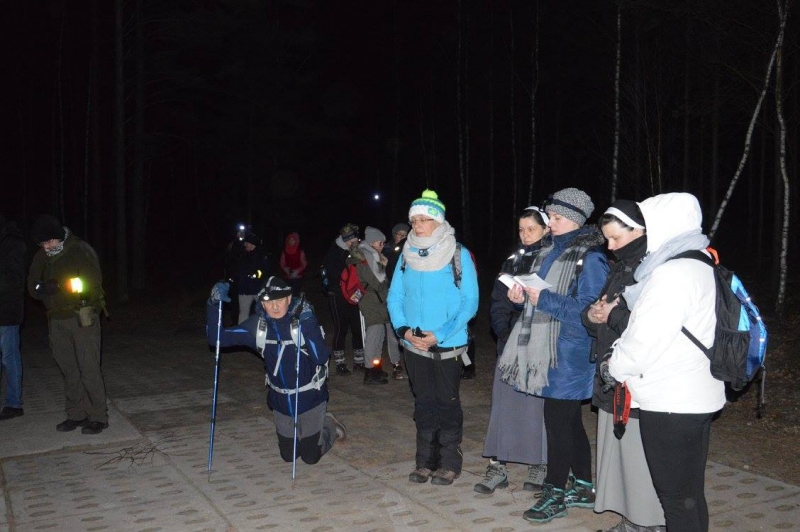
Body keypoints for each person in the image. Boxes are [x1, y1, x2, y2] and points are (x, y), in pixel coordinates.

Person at [609, 193, 724, 532]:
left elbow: (643, 340)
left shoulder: (672, 273)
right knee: (690, 495)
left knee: (675, 499)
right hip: (697, 394)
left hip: (671, 401)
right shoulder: (703, 264)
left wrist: (614, 364)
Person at [495, 188, 608, 523]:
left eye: (556, 217)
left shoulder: (591, 257)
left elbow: (590, 312)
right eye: (551, 216)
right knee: (569, 422)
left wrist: (541, 299)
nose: (551, 222)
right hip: (547, 349)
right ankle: (584, 486)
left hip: (570, 353)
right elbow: (539, 298)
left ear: (574, 218)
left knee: (557, 424)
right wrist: (521, 299)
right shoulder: (549, 251)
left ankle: (554, 493)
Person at [581, 200, 665, 532]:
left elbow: (654, 329)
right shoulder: (620, 268)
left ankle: (648, 523)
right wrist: (592, 315)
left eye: (616, 238)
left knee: (639, 458)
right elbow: (598, 315)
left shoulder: (658, 268)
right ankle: (631, 520)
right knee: (619, 456)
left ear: (640, 230)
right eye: (607, 240)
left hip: (640, 381)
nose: (611, 247)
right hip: (612, 375)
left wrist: (611, 315)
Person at [387, 189, 479, 486]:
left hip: (447, 344)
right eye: (414, 220)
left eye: (424, 220)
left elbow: (470, 302)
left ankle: (449, 463)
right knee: (424, 402)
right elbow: (395, 296)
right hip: (413, 345)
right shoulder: (406, 255)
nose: (417, 225)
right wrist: (403, 330)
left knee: (447, 403)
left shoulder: (457, 253)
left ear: (439, 222)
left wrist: (439, 334)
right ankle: (425, 462)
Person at [207, 276, 346, 464]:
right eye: (268, 302)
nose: (274, 306)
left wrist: (308, 320)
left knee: (310, 456)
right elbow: (216, 339)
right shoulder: (257, 326)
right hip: (281, 401)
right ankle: (301, 431)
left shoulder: (302, 320)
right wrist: (214, 304)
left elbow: (321, 357)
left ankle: (329, 424)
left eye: (279, 300)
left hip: (310, 397)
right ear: (262, 304)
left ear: (289, 299)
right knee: (289, 456)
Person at [474, 206, 550, 495]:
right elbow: (497, 304)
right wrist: (505, 334)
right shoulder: (512, 262)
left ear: (546, 229)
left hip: (541, 345)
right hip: (510, 345)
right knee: (503, 404)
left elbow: (553, 305)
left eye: (531, 229)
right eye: (521, 229)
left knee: (537, 407)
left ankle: (540, 463)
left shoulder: (554, 261)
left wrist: (524, 305)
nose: (525, 235)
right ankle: (497, 465)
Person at [27, 215, 109, 434]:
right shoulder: (41, 256)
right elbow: (32, 286)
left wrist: (61, 287)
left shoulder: (80, 249)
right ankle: (76, 414)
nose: (46, 246)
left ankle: (98, 416)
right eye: (42, 243)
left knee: (88, 367)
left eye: (49, 241)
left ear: (58, 236)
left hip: (81, 317)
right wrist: (41, 289)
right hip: (56, 319)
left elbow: (93, 283)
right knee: (68, 369)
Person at [349, 226, 391, 385]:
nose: (383, 246)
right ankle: (369, 371)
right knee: (373, 337)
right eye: (380, 243)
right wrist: (383, 267)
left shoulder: (373, 256)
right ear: (372, 242)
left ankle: (376, 368)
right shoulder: (365, 258)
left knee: (379, 336)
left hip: (378, 301)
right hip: (371, 302)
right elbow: (377, 283)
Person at [323, 223, 365, 376]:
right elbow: (334, 274)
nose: (355, 243)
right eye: (353, 240)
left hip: (354, 294)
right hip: (337, 295)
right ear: (346, 240)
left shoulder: (355, 250)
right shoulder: (335, 252)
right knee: (341, 328)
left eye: (356, 240)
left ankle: (359, 361)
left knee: (357, 328)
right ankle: (340, 363)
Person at [0, 214, 26, 421]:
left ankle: (14, 403)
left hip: (6, 312)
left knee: (9, 358)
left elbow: (15, 279)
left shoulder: (13, 243)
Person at [384, 222, 409, 380]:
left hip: (409, 296)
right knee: (393, 330)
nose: (402, 237)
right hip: (391, 295)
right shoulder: (387, 250)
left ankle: (411, 363)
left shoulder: (413, 250)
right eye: (399, 234)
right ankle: (396, 364)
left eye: (405, 235)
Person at [234, 231, 270, 324]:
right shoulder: (242, 254)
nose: (245, 244)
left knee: (263, 312)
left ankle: (264, 330)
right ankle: (242, 330)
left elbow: (266, 271)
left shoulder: (261, 255)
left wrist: (257, 274)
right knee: (243, 313)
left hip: (258, 289)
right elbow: (238, 269)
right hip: (244, 289)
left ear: (252, 244)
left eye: (247, 242)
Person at [279, 232, 307, 297]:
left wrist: (297, 271)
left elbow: (304, 264)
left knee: (295, 294)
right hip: (287, 277)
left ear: (296, 241)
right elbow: (282, 262)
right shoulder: (284, 251)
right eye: (290, 240)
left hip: (297, 277)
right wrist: (285, 269)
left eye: (293, 240)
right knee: (288, 294)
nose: (291, 241)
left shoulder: (300, 251)